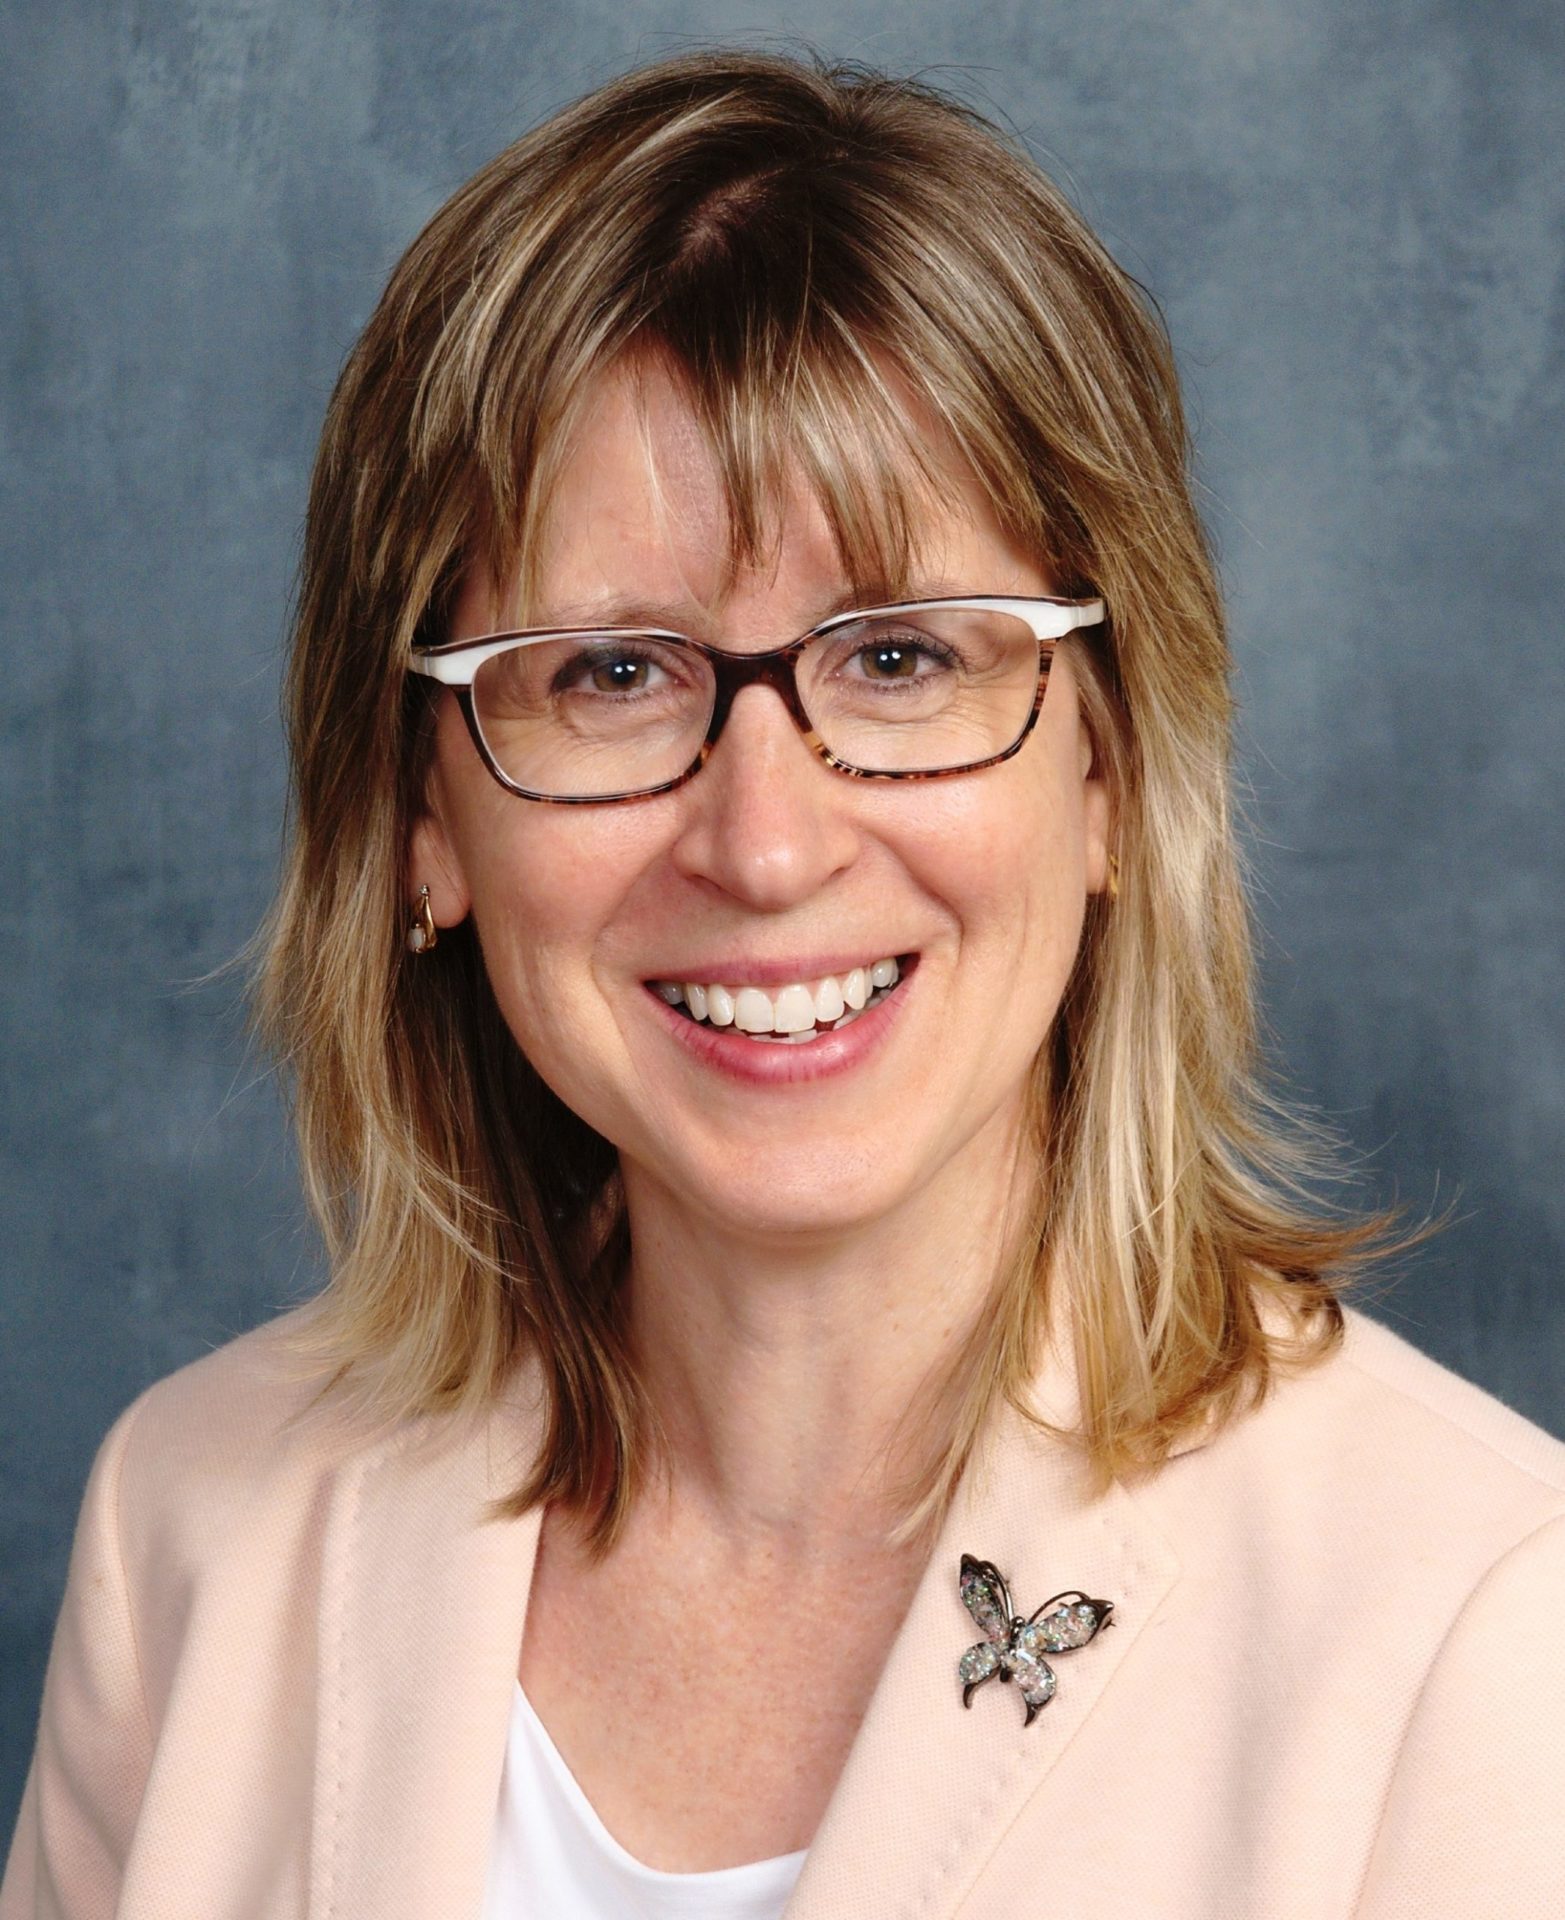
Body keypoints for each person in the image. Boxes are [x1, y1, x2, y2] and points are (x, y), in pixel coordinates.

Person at [3, 46, 1561, 1920]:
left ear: (1114, 770)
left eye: (902, 659)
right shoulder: (193, 1522)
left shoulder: (1482, 1629)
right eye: (607, 675)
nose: (761, 844)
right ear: (420, 817)